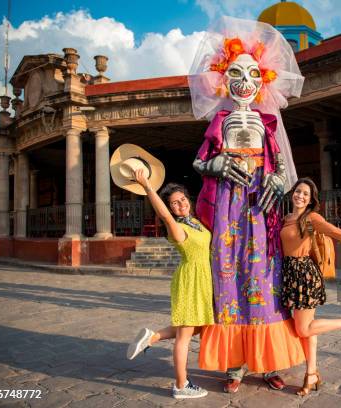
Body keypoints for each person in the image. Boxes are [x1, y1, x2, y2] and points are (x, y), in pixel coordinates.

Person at [187, 16, 305, 393]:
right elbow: (199, 161)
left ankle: (267, 360)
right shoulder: (219, 122)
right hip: (226, 205)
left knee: (262, 277)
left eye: (254, 74)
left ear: (263, 80)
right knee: (228, 277)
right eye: (237, 73)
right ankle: (235, 364)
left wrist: (275, 178)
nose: (245, 81)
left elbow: (282, 166)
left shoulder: (266, 123)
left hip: (260, 207)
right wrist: (216, 164)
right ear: (224, 76)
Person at [280, 177, 341, 396]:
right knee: (308, 328)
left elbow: (334, 231)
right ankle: (311, 373)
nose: (300, 196)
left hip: (304, 275)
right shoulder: (286, 218)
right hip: (288, 275)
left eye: (305, 194)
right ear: (292, 193)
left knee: (303, 328)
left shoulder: (311, 217)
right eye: (298, 191)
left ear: (311, 199)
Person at [126, 173, 214, 399]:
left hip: (203, 279)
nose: (181, 204)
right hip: (190, 280)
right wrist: (147, 186)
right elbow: (164, 215)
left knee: (197, 327)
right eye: (175, 203)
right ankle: (181, 384)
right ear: (170, 208)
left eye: (183, 199)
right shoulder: (177, 228)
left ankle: (152, 337)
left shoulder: (195, 222)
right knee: (185, 335)